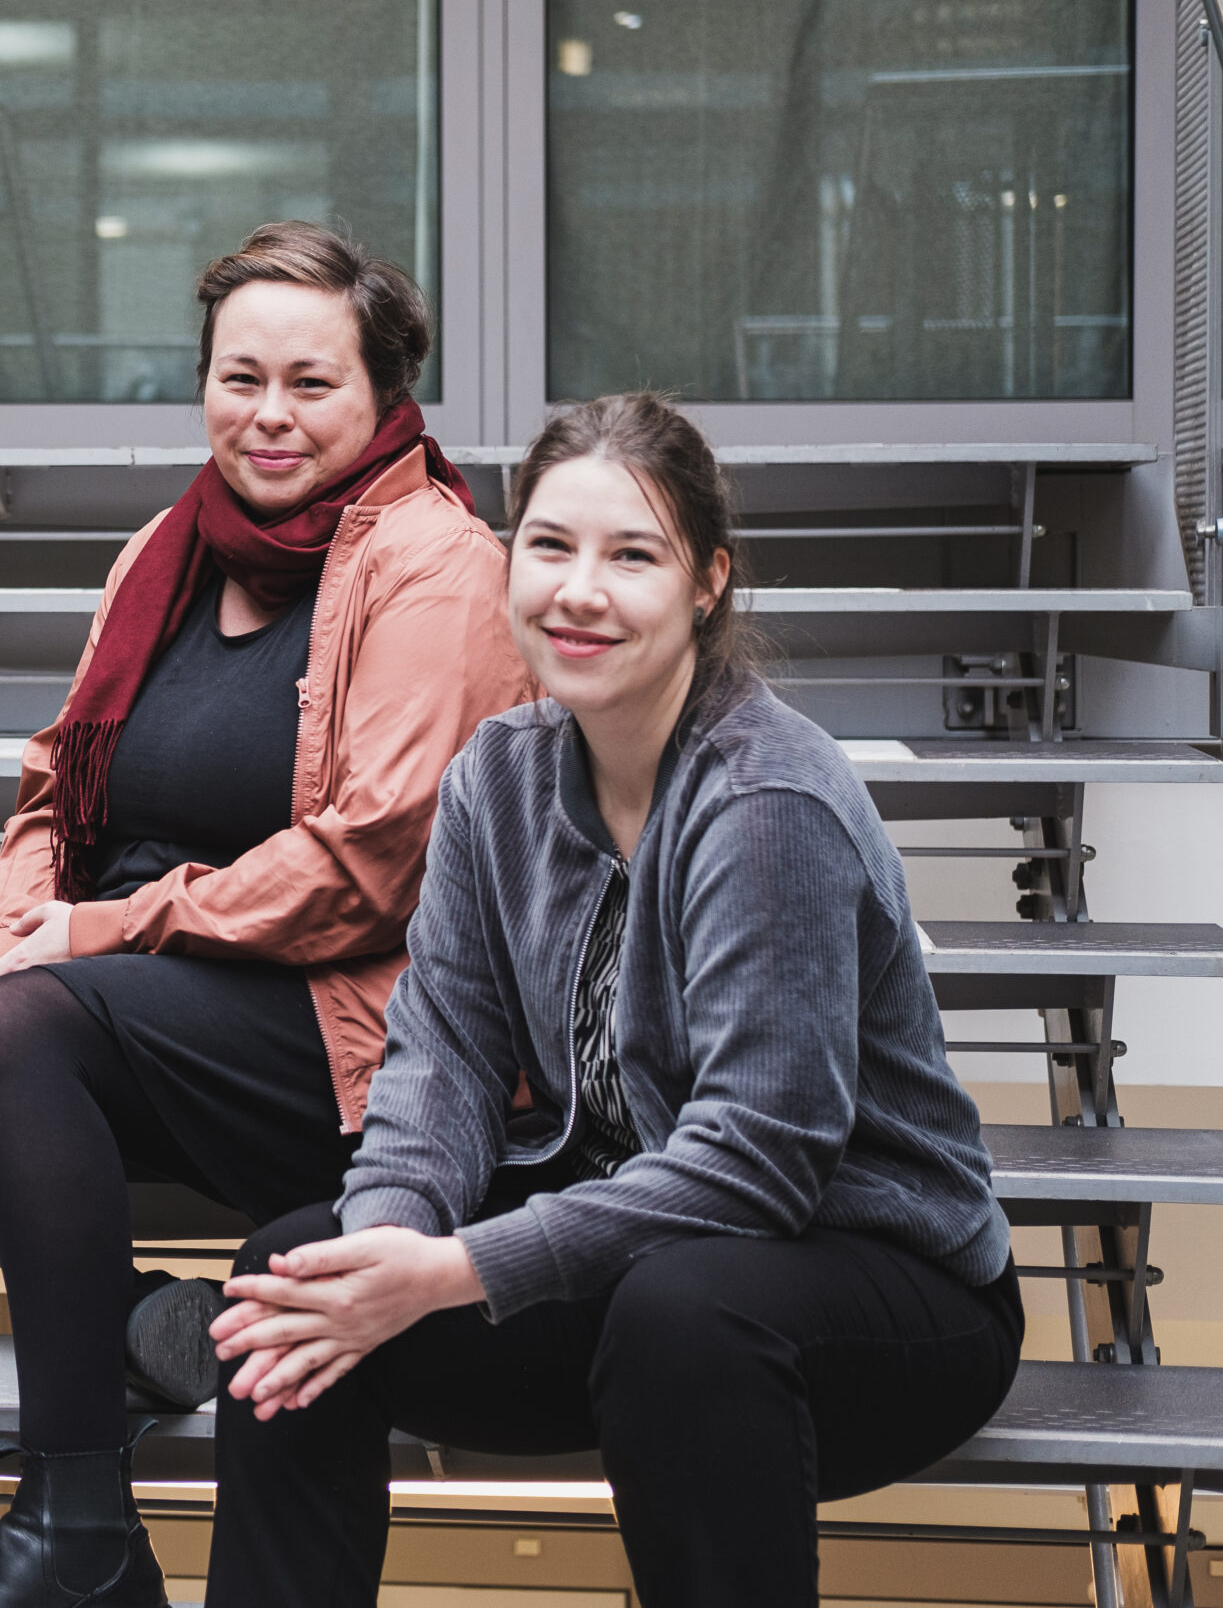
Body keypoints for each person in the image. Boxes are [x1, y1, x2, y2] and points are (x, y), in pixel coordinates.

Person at [0, 221, 536, 1608]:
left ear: (384, 395)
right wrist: (16, 923)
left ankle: (78, 1522)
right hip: (132, 990)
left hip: (342, 1026)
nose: (267, 414)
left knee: (19, 1021)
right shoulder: (170, 548)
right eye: (237, 376)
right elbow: (55, 782)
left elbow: (371, 864)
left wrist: (89, 938)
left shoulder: (438, 564)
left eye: (311, 384)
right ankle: (136, 1319)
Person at [201, 393, 1022, 1608]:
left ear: (706, 583)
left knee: (681, 1312)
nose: (578, 592)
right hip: (640, 1277)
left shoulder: (765, 803)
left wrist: (445, 1272)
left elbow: (760, 1161)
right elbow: (442, 1060)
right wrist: (384, 1243)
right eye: (549, 546)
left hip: (878, 1290)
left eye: (630, 556)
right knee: (298, 1276)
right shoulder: (499, 775)